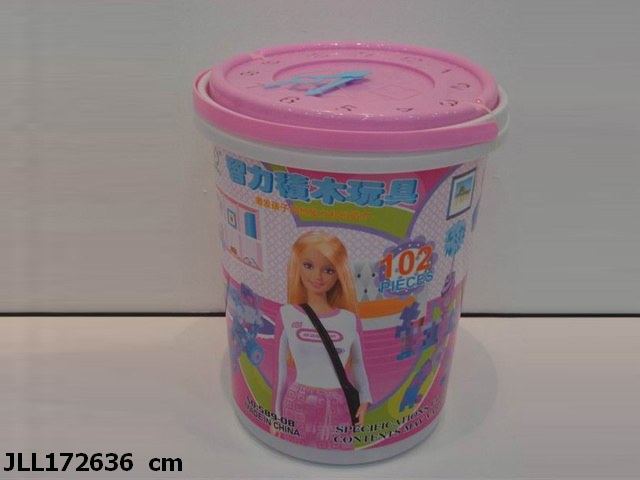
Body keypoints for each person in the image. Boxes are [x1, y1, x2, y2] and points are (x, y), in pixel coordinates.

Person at [274, 231, 372, 450]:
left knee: (341, 450)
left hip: (339, 403)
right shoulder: (287, 314)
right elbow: (280, 371)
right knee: (294, 450)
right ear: (297, 267)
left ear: (339, 274)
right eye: (308, 266)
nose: (317, 276)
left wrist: (364, 401)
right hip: (299, 400)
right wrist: (276, 414)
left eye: (328, 270)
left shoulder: (349, 320)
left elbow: (358, 364)